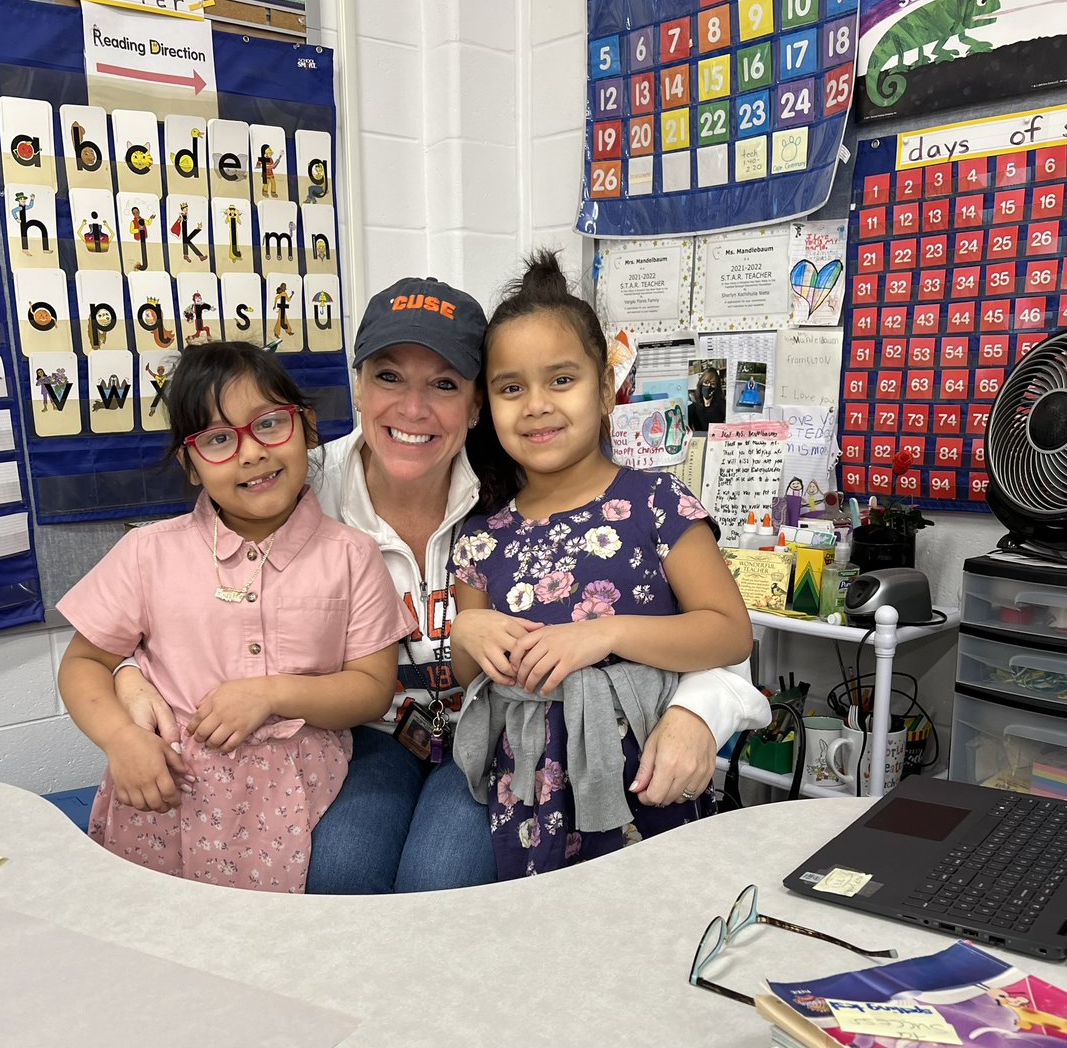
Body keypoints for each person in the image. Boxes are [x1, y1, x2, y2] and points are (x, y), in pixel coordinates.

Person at [115, 277, 769, 893]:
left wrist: (697, 711)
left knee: (441, 877)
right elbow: (190, 572)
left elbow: (720, 635)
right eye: (388, 377)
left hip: (497, 742)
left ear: (475, 402)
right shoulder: (298, 487)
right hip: (367, 736)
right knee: (341, 867)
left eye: (445, 384)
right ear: (359, 385)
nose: (412, 407)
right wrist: (127, 668)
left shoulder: (532, 488)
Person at [57, 341, 415, 892]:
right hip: (167, 794)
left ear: (308, 428)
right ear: (191, 465)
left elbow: (369, 691)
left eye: (269, 424)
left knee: (270, 945)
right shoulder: (148, 553)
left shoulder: (352, 555)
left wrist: (272, 694)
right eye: (218, 439)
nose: (250, 453)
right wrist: (119, 740)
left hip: (293, 793)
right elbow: (83, 662)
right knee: (161, 936)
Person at [448, 252, 754, 878]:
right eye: (512, 388)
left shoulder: (657, 502)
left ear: (607, 386)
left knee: (649, 930)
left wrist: (606, 633)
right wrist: (466, 632)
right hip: (529, 785)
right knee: (547, 936)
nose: (536, 405)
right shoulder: (482, 536)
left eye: (562, 380)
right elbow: (466, 675)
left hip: (646, 771)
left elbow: (729, 630)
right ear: (488, 405)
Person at [687, 366, 726, 432]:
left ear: (717, 387)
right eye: (706, 382)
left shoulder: (723, 405)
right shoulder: (692, 408)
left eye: (713, 384)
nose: (709, 386)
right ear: (701, 383)